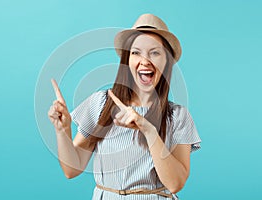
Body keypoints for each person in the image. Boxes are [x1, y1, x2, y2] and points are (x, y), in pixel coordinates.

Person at [48, 13, 201, 200]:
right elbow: (71, 169)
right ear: (127, 60)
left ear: (166, 61)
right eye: (136, 52)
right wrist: (62, 131)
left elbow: (176, 183)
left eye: (155, 52)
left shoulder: (177, 116)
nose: (145, 60)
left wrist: (149, 130)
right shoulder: (100, 103)